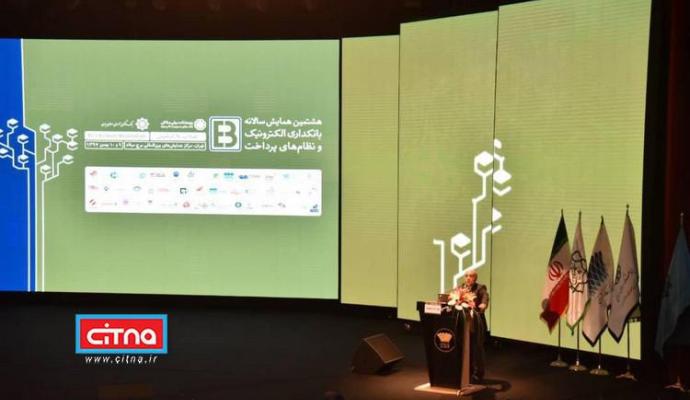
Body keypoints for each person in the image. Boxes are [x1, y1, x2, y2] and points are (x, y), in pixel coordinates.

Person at [450, 269, 489, 383]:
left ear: (475, 278)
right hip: (463, 324)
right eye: (466, 276)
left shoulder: (480, 288)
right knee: (463, 348)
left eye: (471, 276)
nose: (468, 278)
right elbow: (452, 299)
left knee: (477, 349)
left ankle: (478, 374)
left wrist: (483, 305)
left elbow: (485, 298)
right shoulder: (460, 288)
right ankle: (466, 372)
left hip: (476, 324)